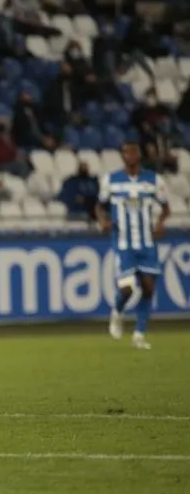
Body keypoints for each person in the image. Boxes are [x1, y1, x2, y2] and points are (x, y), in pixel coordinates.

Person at [97, 142, 169, 350]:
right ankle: (117, 312)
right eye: (126, 153)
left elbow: (165, 207)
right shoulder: (110, 180)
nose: (130, 156)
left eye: (133, 152)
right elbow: (99, 205)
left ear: (139, 154)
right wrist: (102, 221)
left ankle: (139, 334)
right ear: (122, 157)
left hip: (147, 243)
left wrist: (160, 223)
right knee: (127, 289)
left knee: (148, 287)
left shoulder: (154, 180)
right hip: (123, 243)